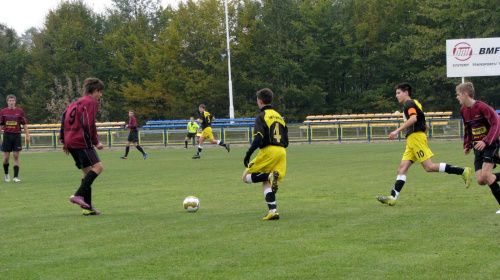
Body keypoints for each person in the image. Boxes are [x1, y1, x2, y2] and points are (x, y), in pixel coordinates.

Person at [377, 82, 472, 206]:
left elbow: (413, 119)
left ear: (406, 93)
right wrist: (423, 135)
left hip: (415, 138)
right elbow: (425, 124)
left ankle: (463, 171)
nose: (396, 95)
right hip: (413, 140)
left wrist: (397, 131)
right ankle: (393, 197)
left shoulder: (409, 103)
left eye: (398, 93)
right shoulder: (415, 103)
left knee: (429, 167)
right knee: (402, 168)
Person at [60, 78, 105, 216]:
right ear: (96, 90)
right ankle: (78, 195)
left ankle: (87, 207)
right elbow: (89, 123)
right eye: (100, 92)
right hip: (81, 140)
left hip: (71, 140)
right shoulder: (91, 102)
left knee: (86, 171)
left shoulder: (74, 104)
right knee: (98, 167)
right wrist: (96, 141)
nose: (101, 95)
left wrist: (63, 140)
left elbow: (64, 117)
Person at [242, 88, 288, 220]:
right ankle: (273, 211)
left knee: (245, 177)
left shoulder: (261, 116)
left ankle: (269, 176)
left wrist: (248, 153)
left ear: (260, 101)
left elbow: (258, 138)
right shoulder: (279, 116)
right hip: (281, 151)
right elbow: (286, 140)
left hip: (269, 150)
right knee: (265, 181)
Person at [456, 82, 500, 214]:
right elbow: (468, 128)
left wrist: (486, 141)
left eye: (458, 95)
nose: (457, 97)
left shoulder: (482, 107)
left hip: (490, 144)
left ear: (465, 94)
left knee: (486, 175)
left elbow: (496, 124)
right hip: (478, 147)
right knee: (481, 180)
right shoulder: (464, 110)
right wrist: (467, 144)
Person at [0, 95, 30, 182]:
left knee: (16, 156)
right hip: (7, 135)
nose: (11, 102)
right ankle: (6, 175)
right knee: (6, 158)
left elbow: (24, 124)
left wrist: (27, 135)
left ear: (15, 102)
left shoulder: (20, 111)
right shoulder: (3, 111)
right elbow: (1, 124)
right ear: (7, 102)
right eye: (10, 100)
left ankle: (16, 177)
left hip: (16, 135)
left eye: (13, 100)